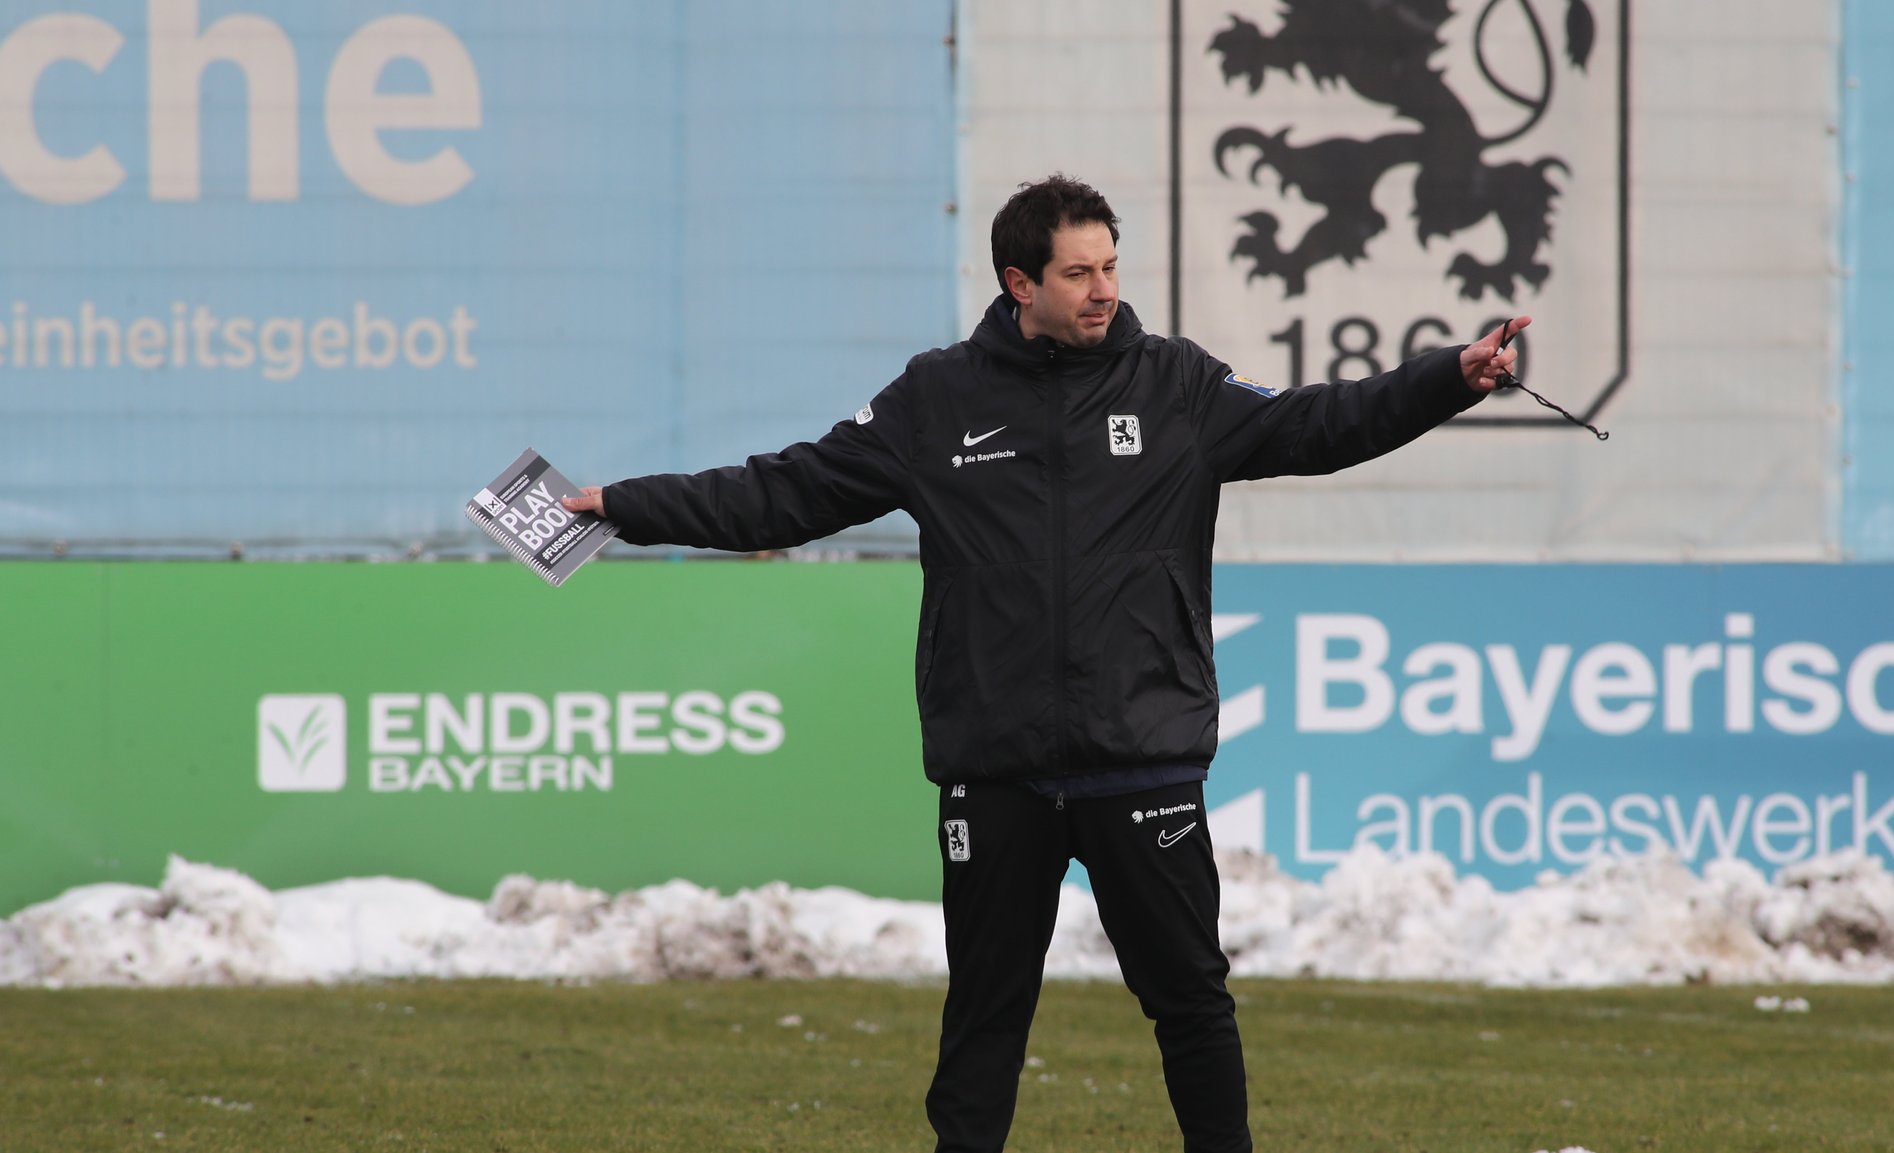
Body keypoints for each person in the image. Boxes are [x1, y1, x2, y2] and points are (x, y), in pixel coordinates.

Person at [564, 174, 1526, 1153]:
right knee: (982, 1019)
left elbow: (1324, 423)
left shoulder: (1178, 384)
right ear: (1019, 282)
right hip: (997, 772)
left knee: (1191, 1002)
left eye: (1108, 265)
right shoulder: (932, 400)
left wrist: (1447, 375)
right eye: (1077, 273)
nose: (1102, 288)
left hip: (1140, 759)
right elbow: (777, 495)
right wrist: (620, 505)